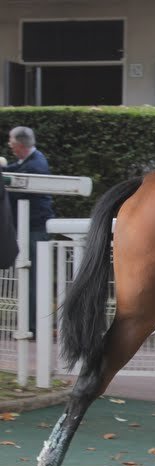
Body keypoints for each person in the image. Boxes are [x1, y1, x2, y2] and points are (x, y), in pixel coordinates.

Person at [5, 126, 54, 336]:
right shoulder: (28, 162)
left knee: (33, 278)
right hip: (29, 228)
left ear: (19, 144)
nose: (9, 145)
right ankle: (30, 323)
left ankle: (33, 326)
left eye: (11, 141)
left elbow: (18, 182)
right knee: (29, 277)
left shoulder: (35, 165)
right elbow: (14, 169)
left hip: (35, 229)